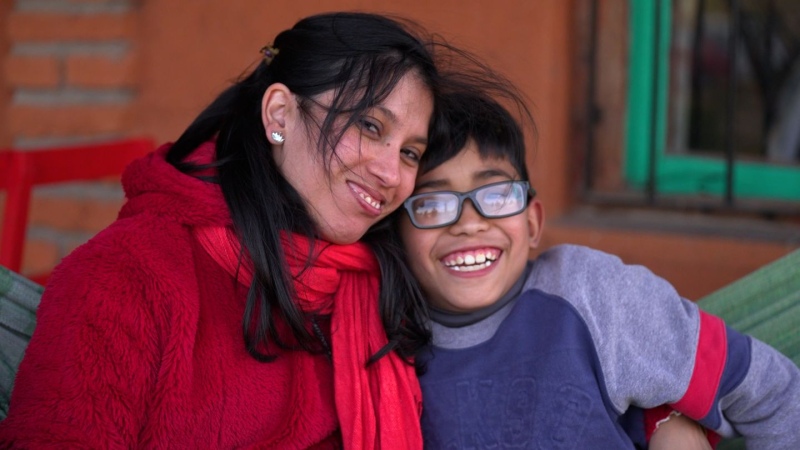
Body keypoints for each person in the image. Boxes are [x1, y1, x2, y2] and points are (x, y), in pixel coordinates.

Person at [0, 11, 509, 449]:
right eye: (369, 126)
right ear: (279, 112)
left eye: (409, 153)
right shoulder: (128, 274)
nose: (390, 173)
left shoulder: (378, 288)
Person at [396, 91, 800, 449]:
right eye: (432, 205)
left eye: (498, 195)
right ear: (396, 234)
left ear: (533, 223)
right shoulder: (378, 342)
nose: (469, 222)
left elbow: (775, 395)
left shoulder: (591, 295)